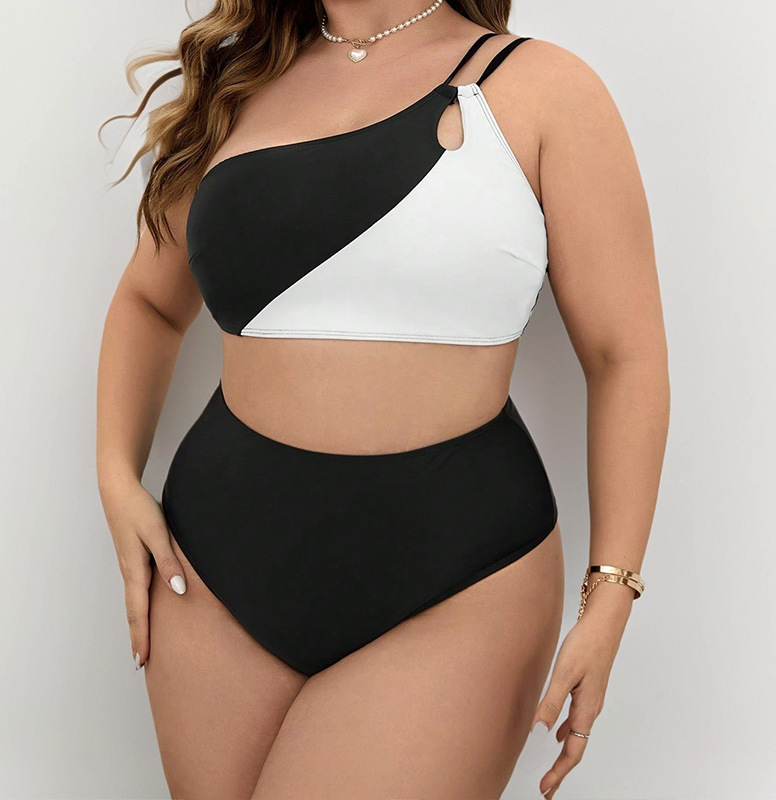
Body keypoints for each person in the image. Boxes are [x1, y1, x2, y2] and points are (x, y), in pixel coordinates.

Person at [96, 1, 669, 797]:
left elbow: (623, 357)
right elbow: (149, 302)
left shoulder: (542, 87)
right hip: (214, 569)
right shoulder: (237, 87)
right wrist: (115, 476)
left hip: (456, 579)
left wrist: (611, 591)